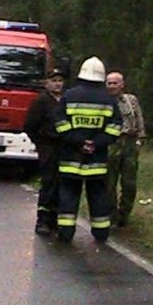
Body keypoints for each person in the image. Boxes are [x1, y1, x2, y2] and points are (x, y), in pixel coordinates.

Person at [53, 56, 122, 243]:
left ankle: (66, 233)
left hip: (71, 158)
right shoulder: (108, 100)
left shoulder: (69, 96)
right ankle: (101, 233)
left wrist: (79, 142)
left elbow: (60, 124)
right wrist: (96, 143)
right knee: (99, 196)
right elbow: (115, 128)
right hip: (97, 160)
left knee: (68, 195)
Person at [24, 68, 66, 236]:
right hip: (48, 148)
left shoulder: (66, 100)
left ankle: (56, 219)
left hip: (64, 147)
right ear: (46, 83)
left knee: (62, 184)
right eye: (54, 80)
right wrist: (41, 143)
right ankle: (42, 220)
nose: (57, 84)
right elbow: (29, 126)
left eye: (60, 81)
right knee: (48, 183)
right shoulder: (41, 101)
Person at [105, 70, 147, 227]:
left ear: (122, 84)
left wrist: (140, 138)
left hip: (129, 142)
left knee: (129, 183)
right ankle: (112, 216)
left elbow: (139, 118)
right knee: (109, 183)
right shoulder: (103, 101)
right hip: (111, 143)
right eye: (109, 83)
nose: (112, 86)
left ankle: (125, 214)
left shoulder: (131, 100)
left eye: (115, 83)